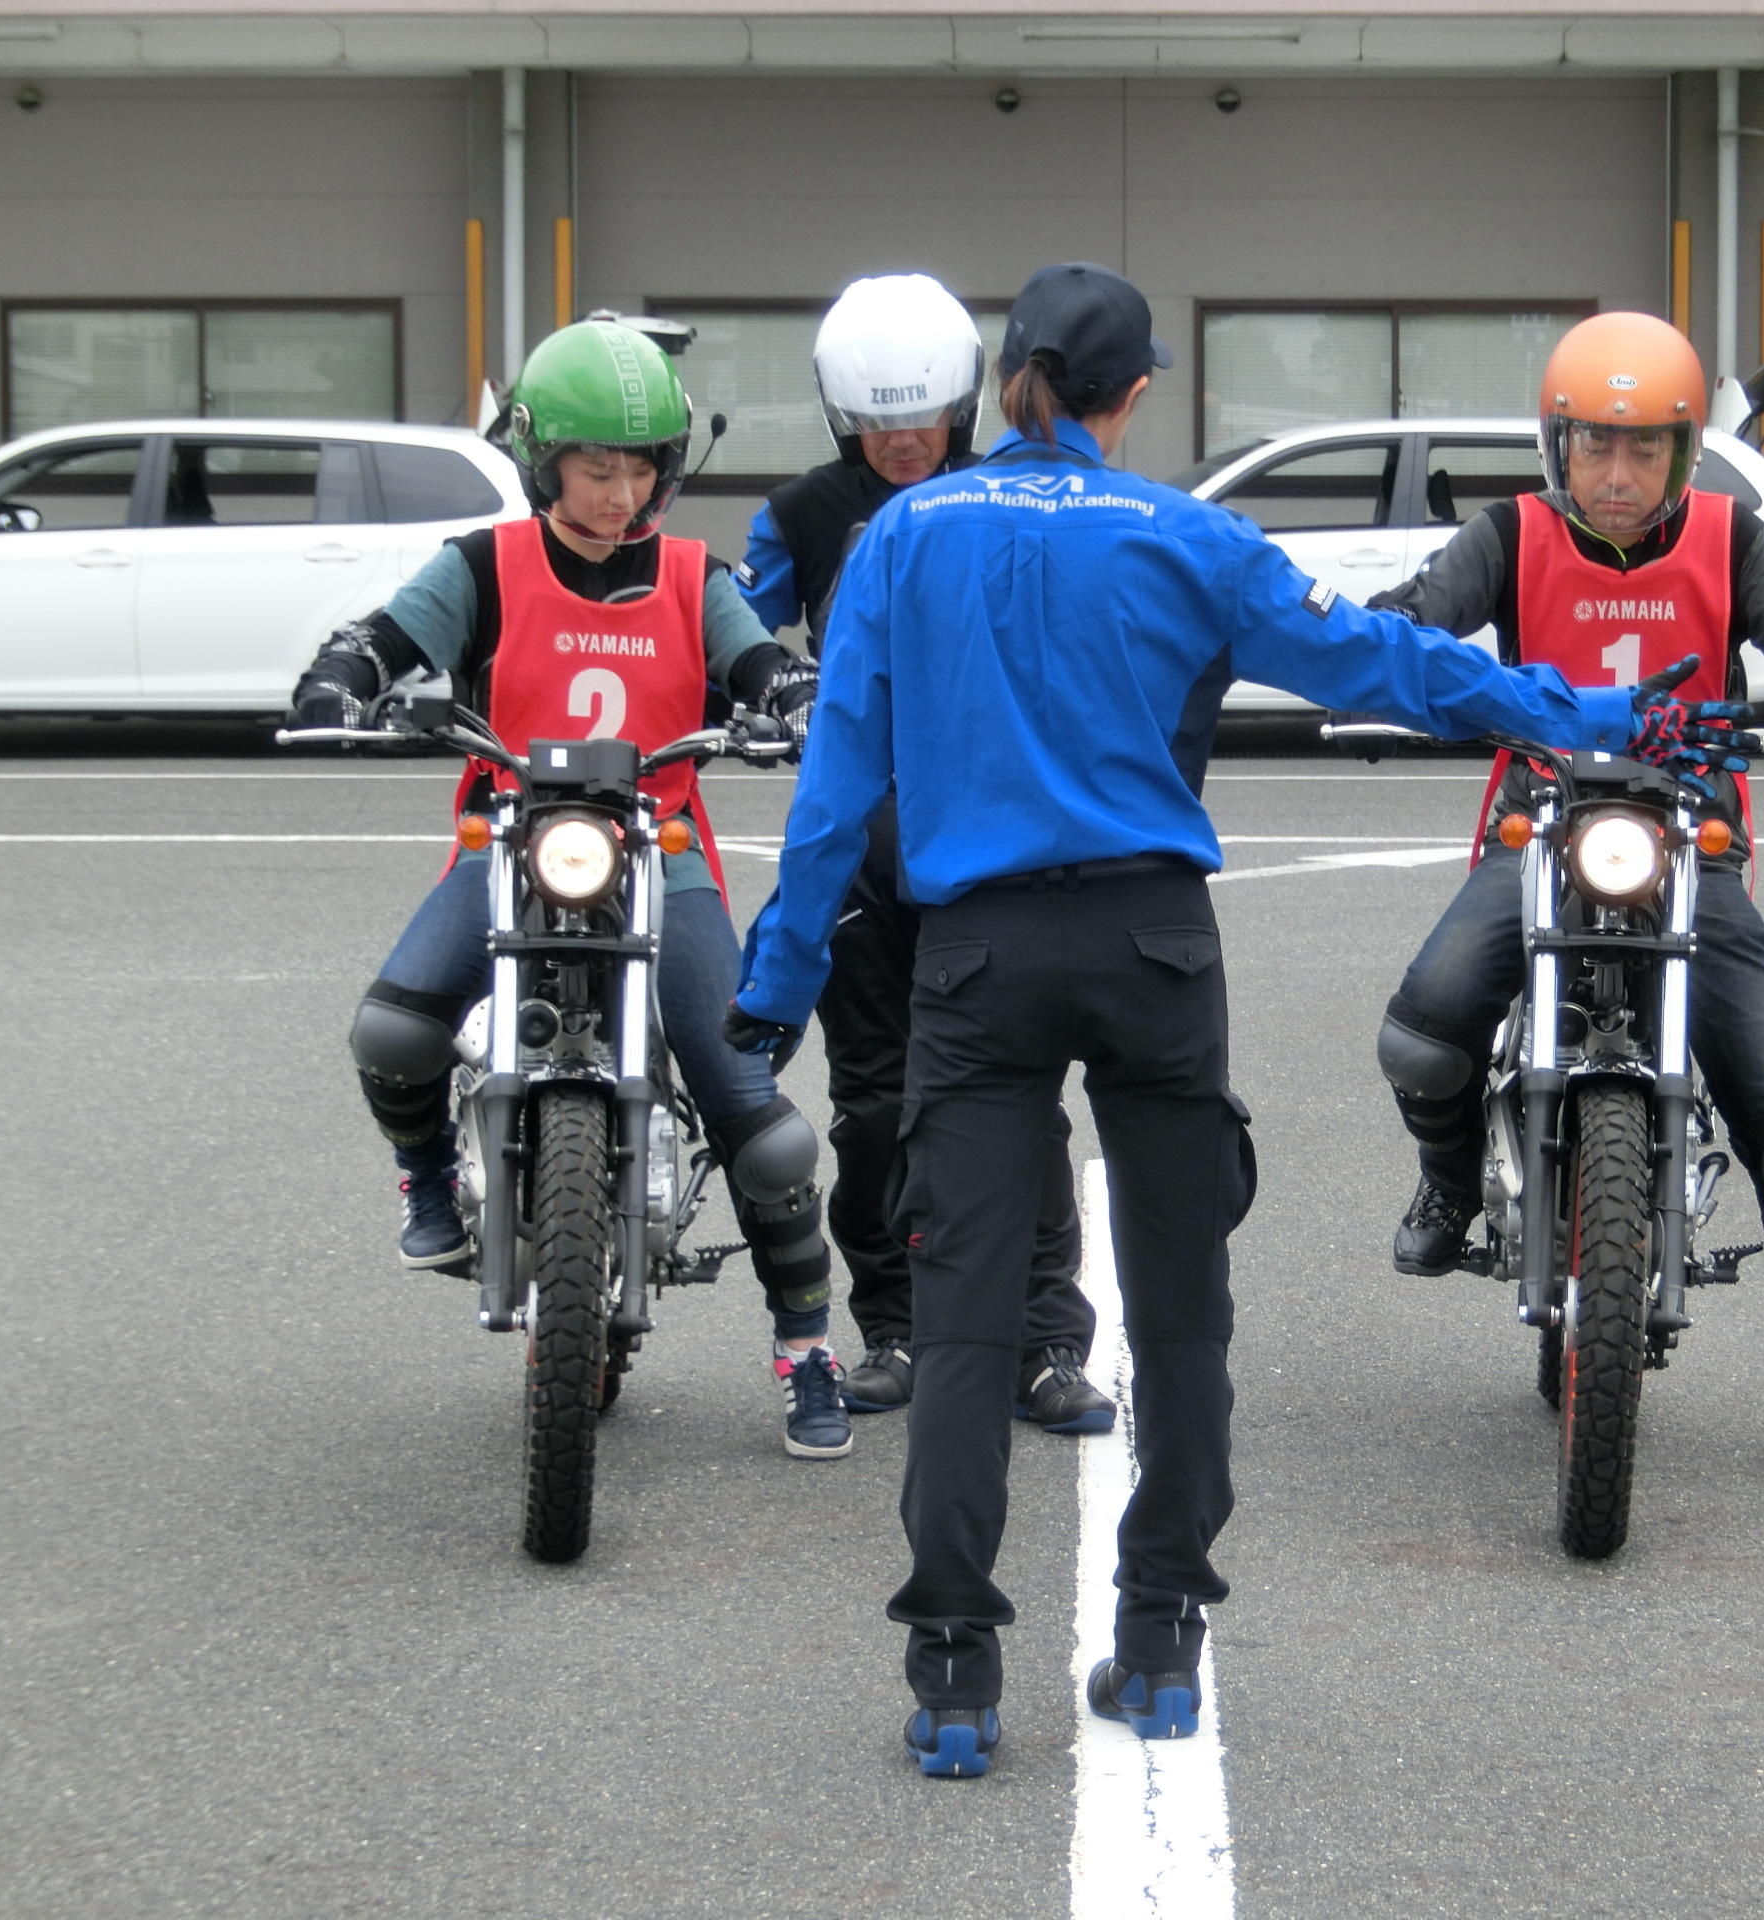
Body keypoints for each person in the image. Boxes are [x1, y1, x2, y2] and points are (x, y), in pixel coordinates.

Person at [721, 263, 1691, 1779]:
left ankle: (957, 1675)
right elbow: (1387, 665)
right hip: (1152, 947)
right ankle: (1162, 1642)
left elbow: (836, 791)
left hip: (973, 958)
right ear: (1131, 394)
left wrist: (773, 993)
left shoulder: (904, 537)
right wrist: (1593, 716)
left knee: (966, 1313)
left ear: (1009, 380)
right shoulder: (1186, 537)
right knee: (1180, 1312)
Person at [287, 317, 853, 1461]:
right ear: (547, 461)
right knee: (392, 1031)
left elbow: (761, 660)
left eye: (643, 468)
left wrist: (790, 694)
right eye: (598, 467)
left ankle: (805, 1347)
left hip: (664, 852)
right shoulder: (484, 565)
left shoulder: (694, 577)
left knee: (756, 1121)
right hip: (504, 841)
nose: (620, 491)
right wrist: (343, 674)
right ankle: (428, 1177)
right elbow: (387, 637)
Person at [1367, 309, 1764, 1478]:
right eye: (1595, 448)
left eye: (1647, 450)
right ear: (1555, 445)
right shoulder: (1509, 536)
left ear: (1682, 454)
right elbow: (1410, 625)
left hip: (1688, 843)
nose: (1618, 476)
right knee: (1424, 1033)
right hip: (1540, 830)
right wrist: (1392, 664)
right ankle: (1447, 1182)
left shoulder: (1729, 535)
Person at [734, 273, 1108, 1434]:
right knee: (873, 1106)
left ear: (962, 407)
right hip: (857, 838)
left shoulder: (1012, 493)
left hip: (989, 830)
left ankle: (1046, 1342)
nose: (903, 443)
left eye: (924, 420)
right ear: (843, 417)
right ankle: (892, 1324)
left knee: (1023, 1099)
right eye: (877, 424)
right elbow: (737, 631)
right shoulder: (796, 513)